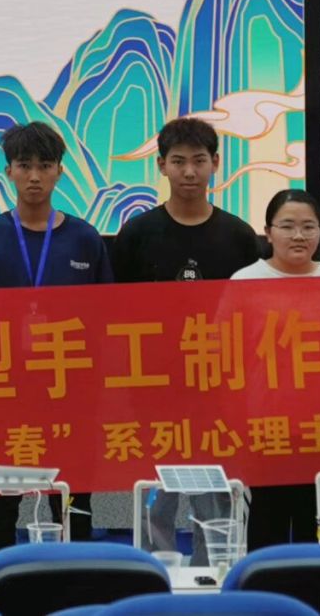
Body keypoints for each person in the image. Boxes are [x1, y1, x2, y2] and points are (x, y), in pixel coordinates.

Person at [111, 117, 261, 560]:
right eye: (178, 161)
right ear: (161, 166)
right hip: (153, 386)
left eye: (199, 160)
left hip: (219, 387)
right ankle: (152, 567)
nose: (190, 172)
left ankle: (212, 568)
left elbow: (251, 314)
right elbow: (115, 312)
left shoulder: (239, 236)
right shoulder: (136, 234)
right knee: (154, 489)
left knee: (215, 490)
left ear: (216, 163)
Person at [0, 121, 110, 550]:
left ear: (60, 171)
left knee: (72, 504)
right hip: (3, 396)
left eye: (45, 166)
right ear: (8, 171)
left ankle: (75, 578)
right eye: (24, 165)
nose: (34, 176)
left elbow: (106, 319)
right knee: (0, 504)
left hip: (71, 396)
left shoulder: (85, 239)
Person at [235, 189, 320, 550]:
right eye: (288, 226)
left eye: (309, 226)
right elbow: (223, 354)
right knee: (267, 533)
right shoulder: (244, 282)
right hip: (265, 429)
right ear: (268, 232)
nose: (299, 235)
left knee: (319, 534)